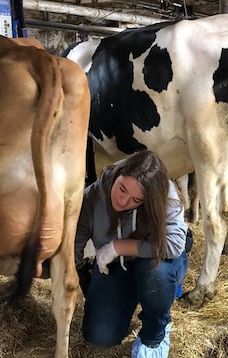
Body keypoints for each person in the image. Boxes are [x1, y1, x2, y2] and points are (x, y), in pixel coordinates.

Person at [74, 150, 189, 357]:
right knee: (99, 336)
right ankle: (131, 295)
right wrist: (47, 269)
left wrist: (118, 247)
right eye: (122, 189)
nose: (124, 201)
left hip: (158, 262)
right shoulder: (92, 197)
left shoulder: (164, 194)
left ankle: (155, 334)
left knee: (155, 275)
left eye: (136, 199)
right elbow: (75, 246)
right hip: (118, 267)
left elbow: (174, 245)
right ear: (118, 174)